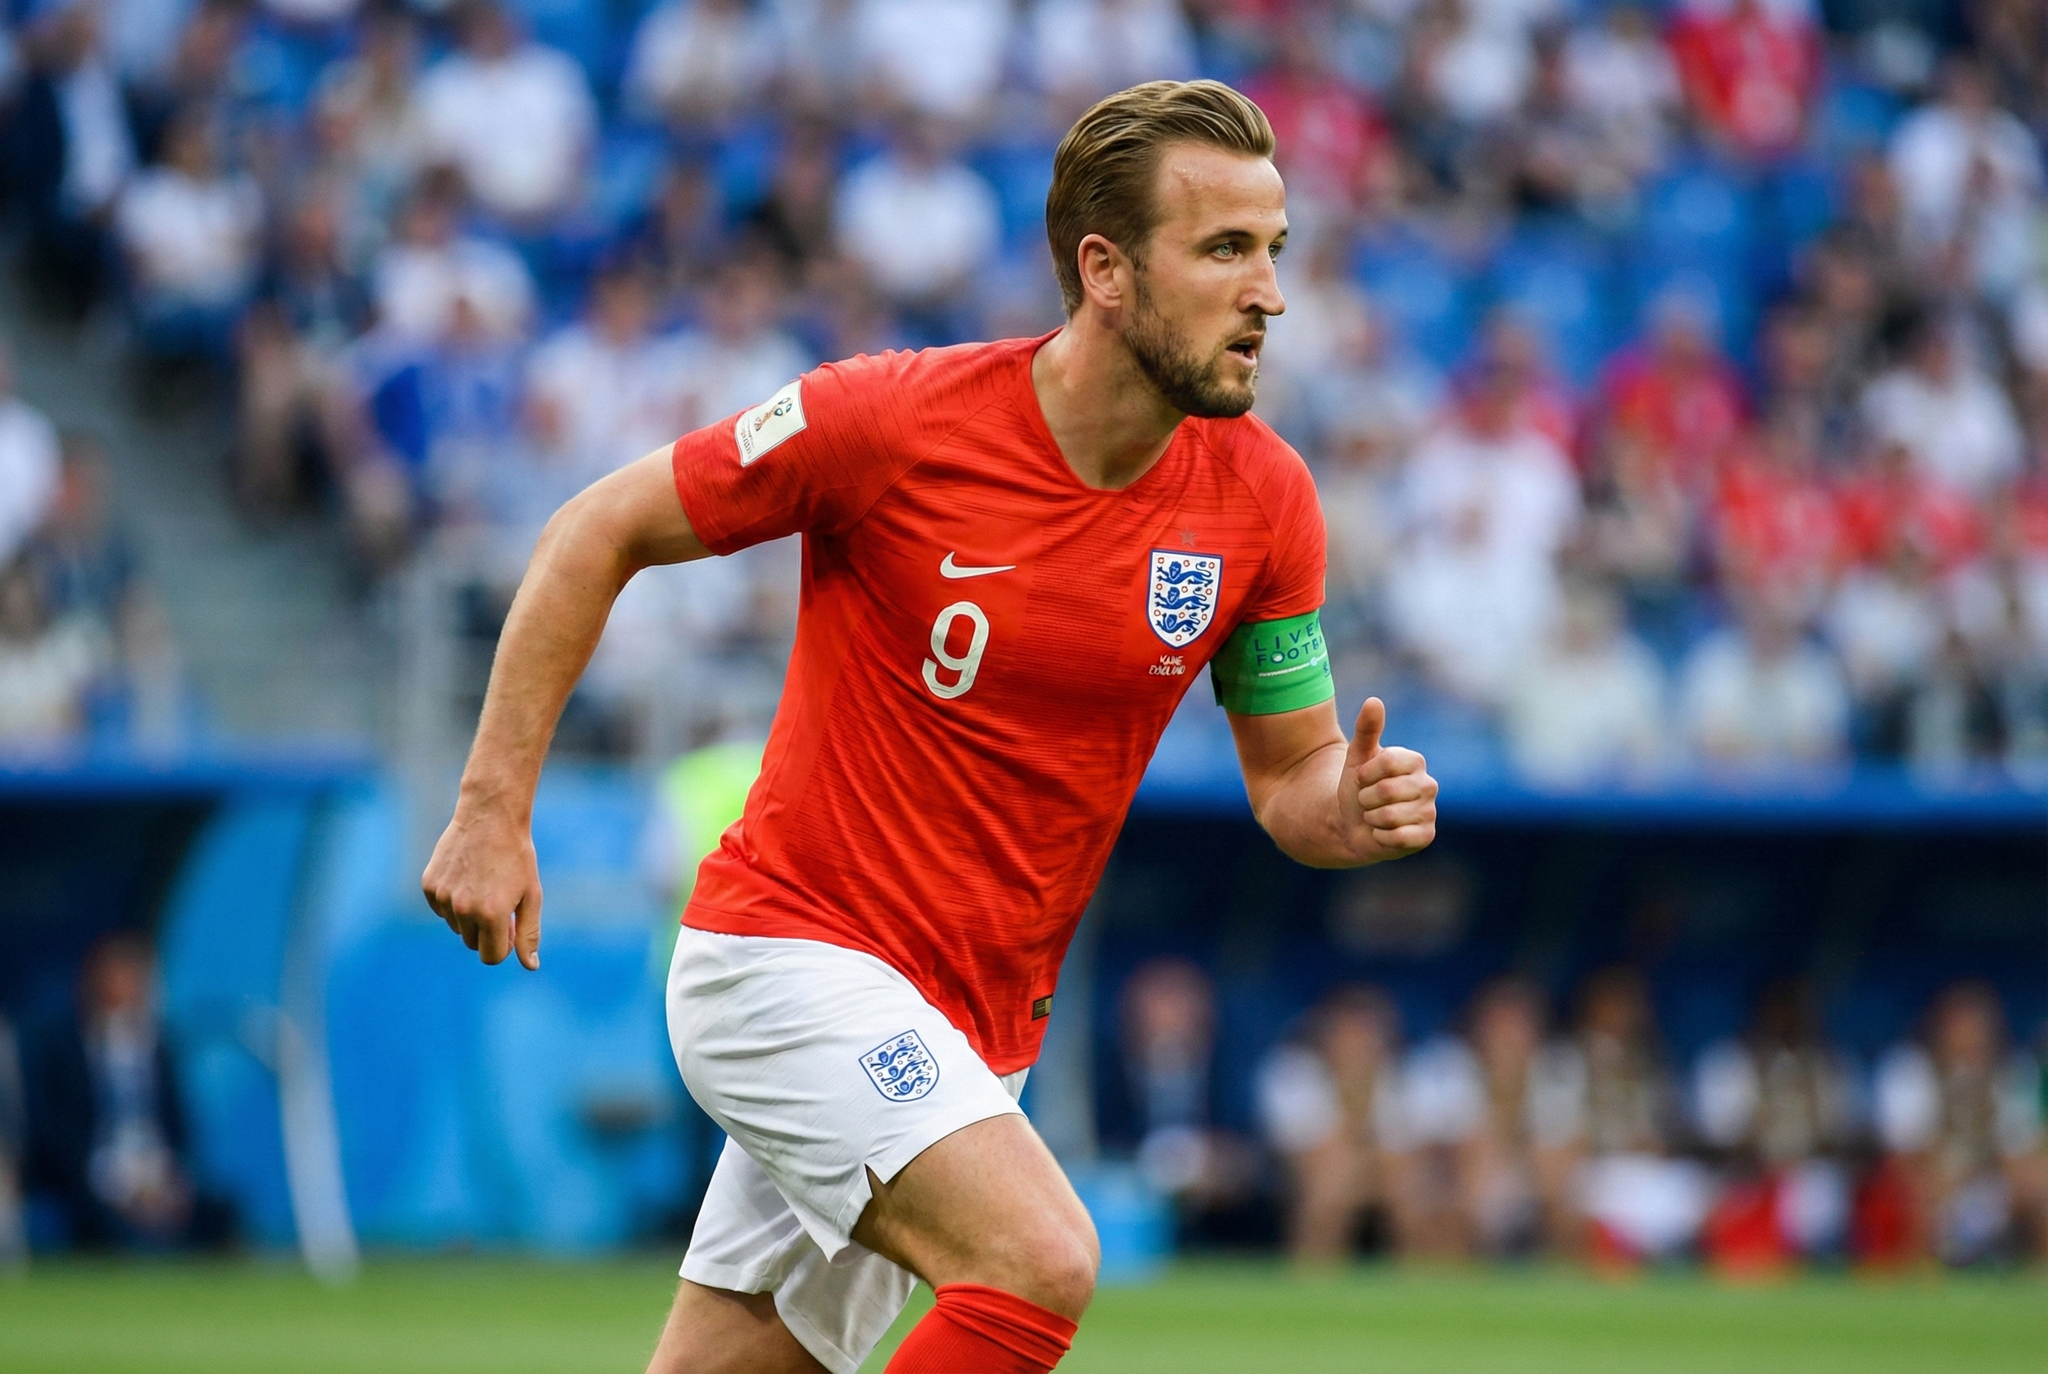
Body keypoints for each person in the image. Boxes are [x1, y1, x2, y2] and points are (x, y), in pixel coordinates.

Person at [422, 80, 1440, 1374]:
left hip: (967, 1036)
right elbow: (597, 528)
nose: (1271, 296)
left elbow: (1290, 768)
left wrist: (1341, 808)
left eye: (1274, 251)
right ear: (1106, 271)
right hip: (787, 965)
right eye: (1227, 250)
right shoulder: (896, 422)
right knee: (1038, 1263)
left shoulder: (1266, 501)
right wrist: (492, 807)